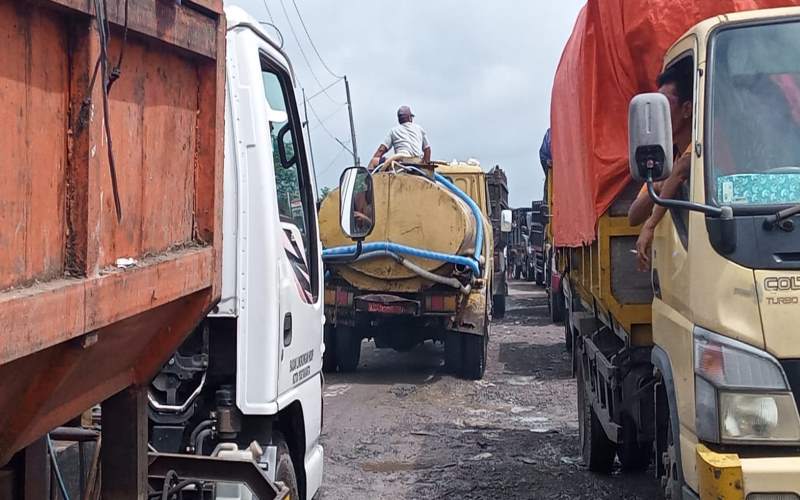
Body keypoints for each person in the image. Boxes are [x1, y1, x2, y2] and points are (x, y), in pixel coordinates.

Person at [628, 59, 694, 270]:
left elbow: (682, 170)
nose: (660, 117)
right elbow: (633, 216)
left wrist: (650, 225)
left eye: (665, 106)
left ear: (687, 109)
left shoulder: (701, 148)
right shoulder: (667, 159)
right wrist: (656, 187)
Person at [368, 105, 431, 170]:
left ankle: (367, 180)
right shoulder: (419, 129)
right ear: (410, 117)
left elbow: (381, 150)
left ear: (399, 119)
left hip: (401, 163)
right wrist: (425, 166)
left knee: (373, 161)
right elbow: (427, 149)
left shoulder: (394, 131)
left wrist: (377, 166)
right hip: (417, 163)